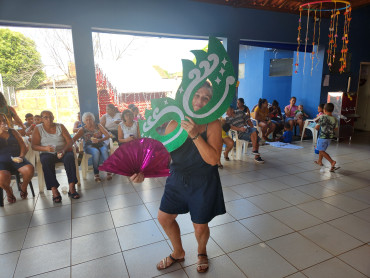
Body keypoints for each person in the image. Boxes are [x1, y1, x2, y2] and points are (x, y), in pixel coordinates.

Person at [131, 80, 225, 273]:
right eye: (197, 95)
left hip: (203, 180)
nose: (200, 101)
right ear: (188, 97)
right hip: (177, 178)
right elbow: (164, 156)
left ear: (211, 102)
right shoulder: (174, 122)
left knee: (200, 226)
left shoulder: (213, 123)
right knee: (164, 218)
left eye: (205, 98)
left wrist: (194, 134)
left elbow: (213, 159)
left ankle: (201, 252)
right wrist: (144, 171)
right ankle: (178, 252)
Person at [31, 110, 79, 202]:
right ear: (41, 119)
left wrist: (63, 150)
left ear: (53, 117)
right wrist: (46, 148)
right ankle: (54, 190)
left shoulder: (60, 126)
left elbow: (70, 141)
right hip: (47, 153)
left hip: (62, 151)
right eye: (45, 117)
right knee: (45, 160)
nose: (48, 119)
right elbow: (33, 146)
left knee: (69, 157)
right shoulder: (38, 128)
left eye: (50, 116)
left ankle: (72, 187)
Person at [0, 113, 34, 203]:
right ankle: (8, 191)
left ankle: (23, 186)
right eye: (0, 121)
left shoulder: (13, 131)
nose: (2, 123)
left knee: (29, 169)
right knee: (2, 176)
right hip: (1, 161)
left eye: (3, 120)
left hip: (17, 158)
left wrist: (21, 156)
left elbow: (23, 145)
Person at [73, 112, 112, 182]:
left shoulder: (98, 125)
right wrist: (74, 146)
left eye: (90, 119)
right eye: (86, 120)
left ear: (93, 120)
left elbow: (107, 135)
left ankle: (108, 171)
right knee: (96, 152)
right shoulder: (82, 129)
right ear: (84, 121)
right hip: (89, 145)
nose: (88, 121)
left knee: (104, 151)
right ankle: (96, 174)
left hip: (100, 143)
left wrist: (100, 140)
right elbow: (74, 139)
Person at [314, 103, 339, 172]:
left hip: (323, 137)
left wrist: (316, 125)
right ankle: (319, 161)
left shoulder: (322, 117)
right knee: (321, 149)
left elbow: (317, 127)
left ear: (324, 110)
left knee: (321, 150)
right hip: (330, 137)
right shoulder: (335, 119)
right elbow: (336, 129)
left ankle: (332, 161)